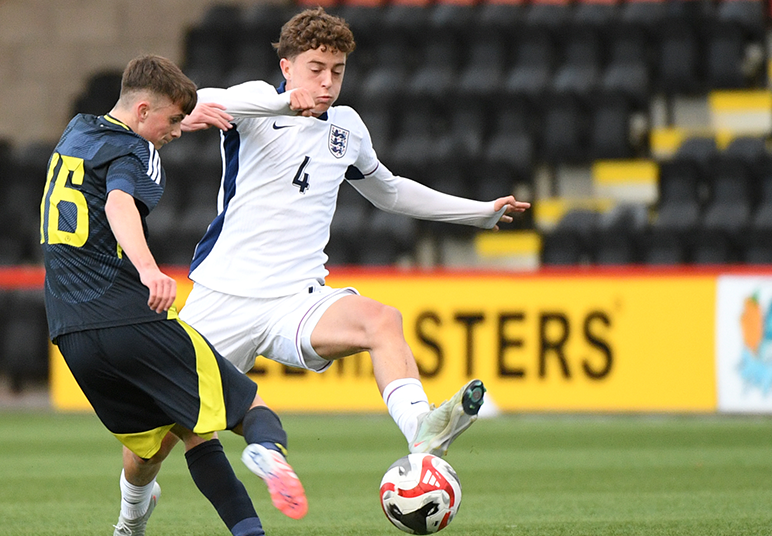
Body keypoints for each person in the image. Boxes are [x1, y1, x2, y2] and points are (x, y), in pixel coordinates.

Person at [178, 7, 531, 458]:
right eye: (316, 69)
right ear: (287, 67)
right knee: (157, 436)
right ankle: (129, 522)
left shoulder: (347, 128)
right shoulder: (256, 102)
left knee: (383, 321)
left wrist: (477, 214)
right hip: (224, 296)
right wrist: (283, 102)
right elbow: (195, 101)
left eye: (337, 71)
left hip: (296, 298)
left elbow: (390, 193)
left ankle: (421, 428)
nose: (327, 82)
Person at [39, 54, 306, 536]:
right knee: (249, 409)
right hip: (129, 319)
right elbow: (119, 201)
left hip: (70, 333)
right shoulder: (139, 154)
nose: (177, 131)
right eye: (174, 121)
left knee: (179, 434)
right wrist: (148, 270)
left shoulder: (76, 131)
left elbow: (140, 112)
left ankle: (130, 525)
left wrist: (187, 111)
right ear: (142, 113)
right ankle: (270, 451)